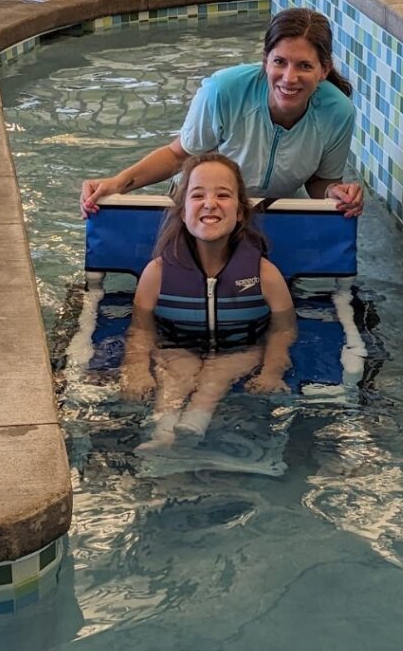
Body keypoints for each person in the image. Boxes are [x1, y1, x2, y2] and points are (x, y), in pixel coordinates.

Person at [80, 8, 363, 219]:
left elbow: (320, 180)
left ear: (324, 70)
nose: (289, 78)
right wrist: (118, 183)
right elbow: (180, 155)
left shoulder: (338, 112)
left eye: (304, 65)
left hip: (272, 213)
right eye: (280, 62)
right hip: (203, 208)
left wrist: (333, 194)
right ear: (265, 62)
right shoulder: (223, 91)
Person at [118, 152, 297, 450]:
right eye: (197, 195)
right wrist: (136, 370)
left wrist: (271, 371)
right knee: (176, 374)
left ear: (240, 212)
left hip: (242, 350)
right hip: (177, 348)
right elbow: (141, 331)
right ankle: (163, 433)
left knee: (218, 373)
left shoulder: (265, 275)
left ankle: (195, 424)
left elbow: (283, 330)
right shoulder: (157, 274)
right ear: (183, 211)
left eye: (223, 195)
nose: (210, 203)